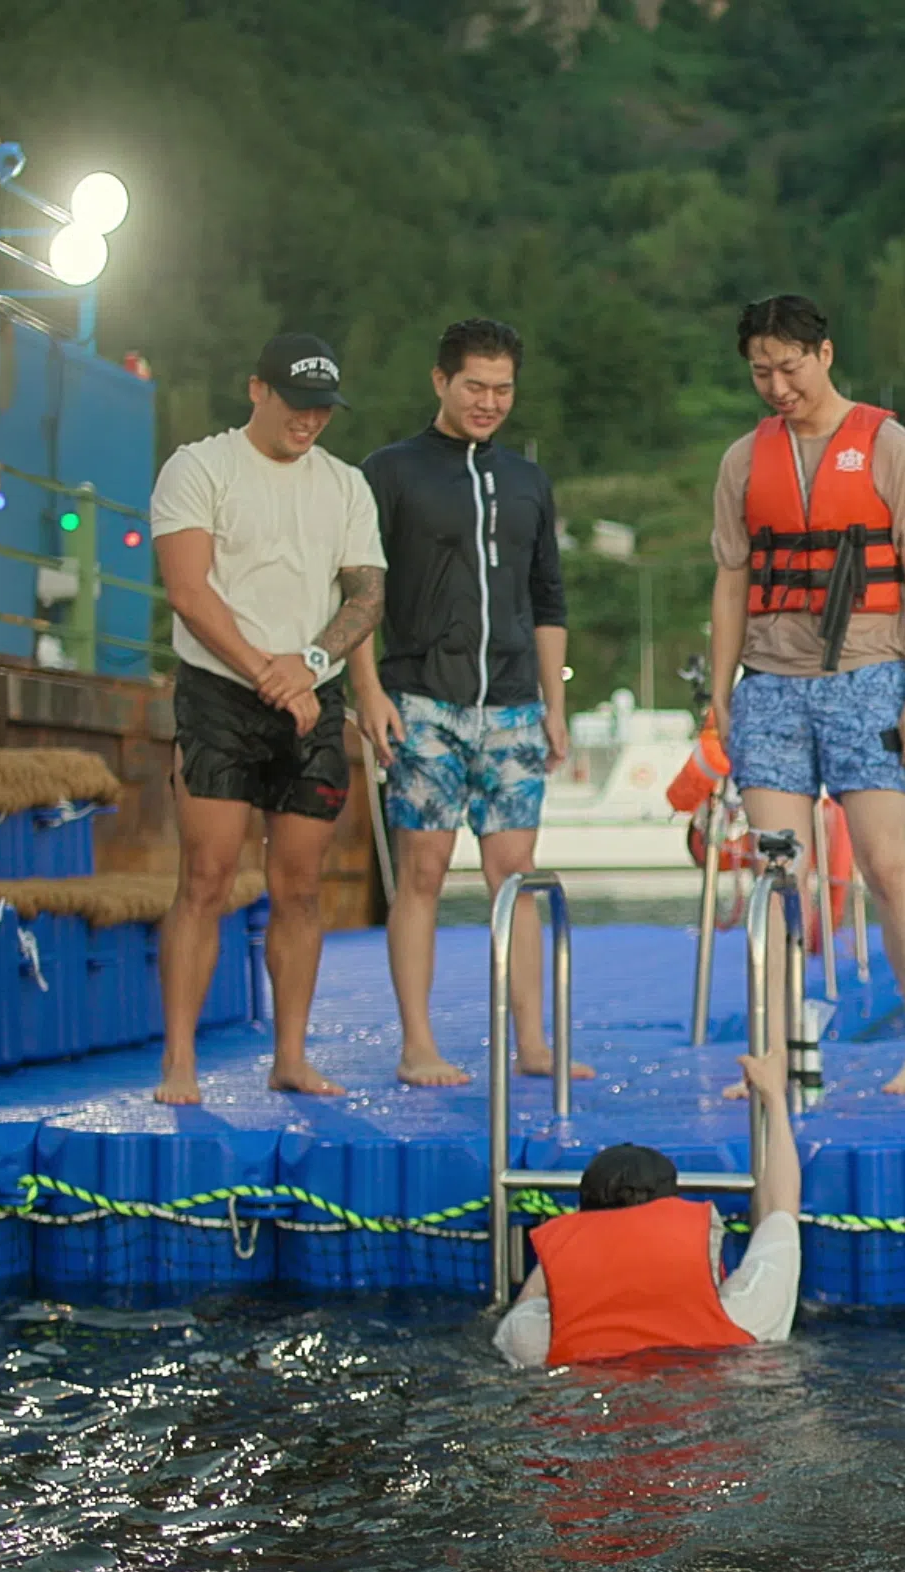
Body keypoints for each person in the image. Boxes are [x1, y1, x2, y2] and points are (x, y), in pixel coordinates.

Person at [706, 294, 905, 1095]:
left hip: (870, 675)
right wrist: (720, 690)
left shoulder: (889, 446)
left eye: (788, 367)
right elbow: (732, 581)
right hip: (771, 686)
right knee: (779, 874)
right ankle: (772, 1054)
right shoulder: (744, 460)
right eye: (760, 372)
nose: (776, 385)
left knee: (886, 864)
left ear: (825, 354)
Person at [350, 317, 589, 1088]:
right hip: (421, 701)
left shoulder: (527, 480)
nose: (489, 401)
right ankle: (417, 1043)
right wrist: (369, 691)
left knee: (515, 874)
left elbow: (547, 599)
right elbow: (358, 594)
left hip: (514, 705)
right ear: (441, 381)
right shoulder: (389, 472)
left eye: (503, 388)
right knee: (420, 871)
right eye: (475, 386)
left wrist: (554, 703)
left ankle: (534, 1043)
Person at [151, 333, 386, 1104]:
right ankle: (179, 1060)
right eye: (296, 404)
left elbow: (366, 596)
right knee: (207, 877)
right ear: (257, 390)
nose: (309, 421)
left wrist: (310, 667)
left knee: (301, 885)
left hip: (308, 695)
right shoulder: (199, 466)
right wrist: (267, 672)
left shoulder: (347, 484)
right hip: (221, 690)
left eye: (322, 409)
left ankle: (290, 1053)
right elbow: (189, 592)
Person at [493, 1048, 803, 1367]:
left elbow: (527, 1306)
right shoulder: (747, 1314)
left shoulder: (537, 1340)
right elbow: (780, 1208)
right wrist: (774, 1101)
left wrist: (570, 1245)